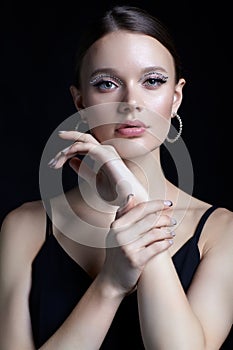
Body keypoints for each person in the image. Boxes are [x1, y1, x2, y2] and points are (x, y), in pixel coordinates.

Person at [0, 4, 232, 349]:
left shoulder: (221, 232)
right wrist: (110, 284)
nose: (131, 102)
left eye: (152, 81)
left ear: (176, 98)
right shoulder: (25, 226)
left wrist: (132, 201)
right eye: (107, 84)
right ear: (80, 102)